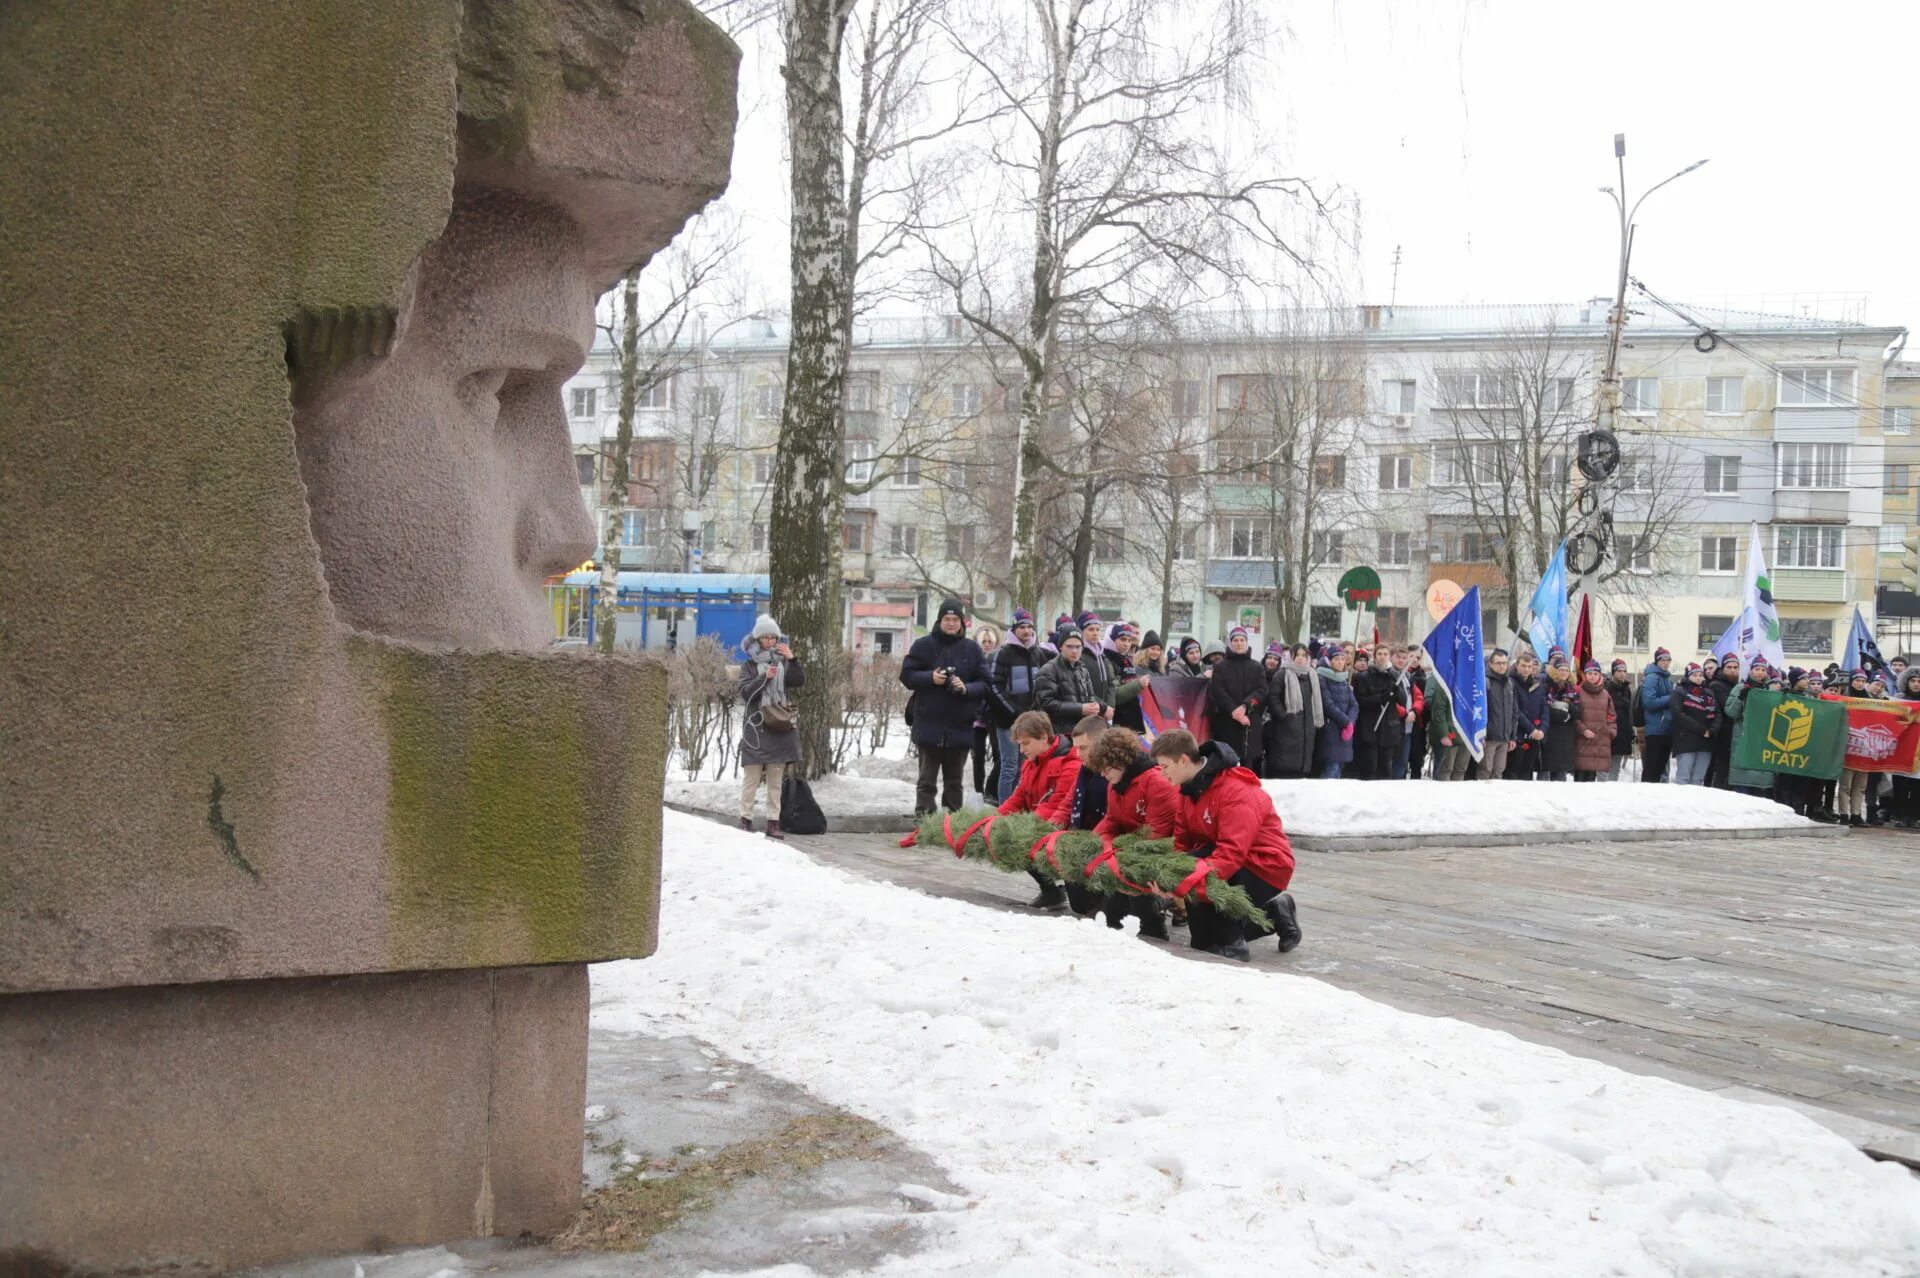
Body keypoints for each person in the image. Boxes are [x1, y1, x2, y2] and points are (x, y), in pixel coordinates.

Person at [1149, 731, 1301, 961]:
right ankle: (1275, 915)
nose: (1161, 773)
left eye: (1165, 766)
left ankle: (1233, 943)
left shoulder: (1236, 790)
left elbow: (1232, 853)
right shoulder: (1188, 791)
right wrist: (1171, 877)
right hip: (1220, 861)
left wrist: (1186, 883)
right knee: (1202, 942)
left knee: (1221, 946)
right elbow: (1182, 844)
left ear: (1183, 760)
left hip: (1263, 864)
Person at [900, 598, 989, 816]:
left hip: (960, 726)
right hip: (929, 723)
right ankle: (924, 822)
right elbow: (907, 675)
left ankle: (952, 823)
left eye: (955, 619)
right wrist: (930, 677)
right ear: (939, 621)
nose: (951, 623)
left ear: (962, 622)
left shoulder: (972, 649)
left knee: (954, 782)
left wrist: (965, 687)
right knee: (926, 781)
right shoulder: (923, 645)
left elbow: (986, 684)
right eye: (946, 619)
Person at [1086, 727, 1176, 940]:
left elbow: (1157, 837)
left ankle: (1156, 921)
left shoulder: (1156, 782)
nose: (1102, 773)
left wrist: (1114, 853)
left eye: (1106, 767)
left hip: (1160, 857)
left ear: (1121, 760)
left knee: (1140, 920)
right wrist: (1094, 845)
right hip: (1128, 852)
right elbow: (1112, 821)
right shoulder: (1116, 784)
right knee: (1108, 919)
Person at [998, 709, 1081, 909]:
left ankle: (1066, 887)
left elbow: (1056, 807)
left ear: (1044, 737)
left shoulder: (1070, 765)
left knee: (1019, 840)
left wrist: (1021, 829)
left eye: (1026, 743)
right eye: (1019, 745)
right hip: (1041, 825)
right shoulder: (1031, 763)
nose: (1021, 751)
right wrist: (993, 821)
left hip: (1065, 831)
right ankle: (1050, 890)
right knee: (1002, 837)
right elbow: (1018, 798)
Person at [738, 614, 805, 838]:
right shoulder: (748, 665)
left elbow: (798, 681)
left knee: (776, 779)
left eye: (773, 637)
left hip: (780, 725)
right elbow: (746, 693)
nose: (770, 641)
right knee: (752, 777)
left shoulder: (784, 662)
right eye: (765, 637)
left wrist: (793, 660)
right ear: (757, 639)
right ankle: (745, 818)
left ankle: (773, 822)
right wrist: (764, 677)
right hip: (756, 726)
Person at [987, 609, 1044, 802]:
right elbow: (994, 686)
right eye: (1022, 627)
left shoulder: (1037, 653)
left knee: (1024, 767)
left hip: (1031, 721)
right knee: (1009, 767)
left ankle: (1020, 808)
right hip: (1007, 721)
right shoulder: (1003, 653)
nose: (1026, 631)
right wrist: (1014, 712)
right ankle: (1005, 810)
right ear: (1014, 629)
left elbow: (1043, 686)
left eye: (1029, 626)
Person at [1206, 627, 1268, 768]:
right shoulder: (1221, 667)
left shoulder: (1257, 667)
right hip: (1226, 723)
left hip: (1249, 725)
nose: (1239, 643)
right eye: (1235, 640)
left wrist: (1245, 706)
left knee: (1248, 767)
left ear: (1246, 643)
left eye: (1242, 640)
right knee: (1227, 766)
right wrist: (1234, 710)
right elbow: (1218, 692)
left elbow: (1262, 690)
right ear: (1230, 643)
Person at [1354, 642, 1411, 781]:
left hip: (1389, 727)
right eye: (1379, 654)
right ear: (1374, 656)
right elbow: (1361, 700)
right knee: (1370, 766)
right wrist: (1381, 697)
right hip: (1370, 727)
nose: (1382, 657)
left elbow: (1403, 701)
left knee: (1386, 767)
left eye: (1385, 654)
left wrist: (1397, 692)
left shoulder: (1394, 676)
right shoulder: (1364, 677)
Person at [1264, 644, 1322, 779]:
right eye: (1297, 655)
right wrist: (1284, 716)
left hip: (1307, 727)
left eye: (1303, 655)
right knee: (1286, 770)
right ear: (1291, 656)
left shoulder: (1312, 675)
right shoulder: (1282, 674)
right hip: (1286, 729)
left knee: (1302, 773)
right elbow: (1273, 698)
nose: (1300, 658)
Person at [1723, 659, 1777, 801]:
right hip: (1744, 739)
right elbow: (1731, 712)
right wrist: (1741, 698)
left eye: (1763, 670)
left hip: (1763, 740)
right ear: (1751, 670)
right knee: (1742, 788)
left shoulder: (1770, 691)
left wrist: (1782, 698)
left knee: (1760, 789)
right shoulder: (1740, 688)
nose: (1760, 672)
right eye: (1757, 669)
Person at [1034, 630, 1106, 735]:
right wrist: (1080, 709)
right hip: (1058, 732)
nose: (1074, 651)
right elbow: (1046, 704)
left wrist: (1095, 707)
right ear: (1061, 647)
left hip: (1081, 730)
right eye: (1070, 646)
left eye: (1078, 647)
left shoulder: (1082, 669)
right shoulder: (1048, 670)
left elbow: (1090, 696)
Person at [1670, 663, 1718, 785]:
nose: (1698, 678)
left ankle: (1695, 804)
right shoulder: (1680, 691)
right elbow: (1678, 714)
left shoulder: (1709, 693)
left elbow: (1718, 715)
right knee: (1684, 778)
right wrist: (1700, 728)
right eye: (1694, 675)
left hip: (1706, 742)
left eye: (1700, 675)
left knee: (1698, 779)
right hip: (1686, 740)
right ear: (1688, 676)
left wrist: (1712, 730)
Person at [1316, 643, 1359, 778]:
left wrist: (1350, 723)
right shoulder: (1322, 677)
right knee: (1331, 769)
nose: (1340, 662)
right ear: (1329, 661)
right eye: (1336, 659)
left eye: (1342, 659)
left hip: (1345, 732)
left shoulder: (1343, 679)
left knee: (1338, 769)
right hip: (1331, 729)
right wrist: (1346, 722)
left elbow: (1354, 705)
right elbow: (1327, 704)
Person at [1424, 660, 1471, 782]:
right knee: (1445, 770)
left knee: (1460, 770)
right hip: (1449, 735)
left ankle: (1457, 798)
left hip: (1466, 736)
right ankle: (1441, 798)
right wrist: (1444, 734)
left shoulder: (1471, 687)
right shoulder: (1443, 685)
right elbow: (1438, 712)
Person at [1572, 660, 1617, 782]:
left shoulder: (1606, 694)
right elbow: (1573, 716)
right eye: (1590, 673)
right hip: (1582, 741)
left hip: (1600, 740)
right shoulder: (1577, 691)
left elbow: (1611, 716)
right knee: (1580, 778)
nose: (1593, 676)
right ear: (1585, 675)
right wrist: (1583, 730)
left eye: (1595, 673)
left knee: (1592, 780)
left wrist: (1611, 731)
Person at [1101, 622, 1149, 732]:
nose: (1127, 644)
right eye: (1122, 639)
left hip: (1128, 721)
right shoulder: (1108, 659)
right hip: (1116, 722)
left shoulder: (1124, 659)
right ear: (1113, 639)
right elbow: (1114, 695)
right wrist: (1138, 684)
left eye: (1129, 640)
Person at [1507, 651, 1548, 781]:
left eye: (1529, 666)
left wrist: (1542, 729)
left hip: (1535, 736)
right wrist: (1531, 729)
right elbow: (1516, 710)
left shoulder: (1537, 685)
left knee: (1528, 772)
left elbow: (1545, 709)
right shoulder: (1510, 683)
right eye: (1523, 666)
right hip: (1517, 734)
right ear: (1517, 666)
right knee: (1513, 771)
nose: (1526, 669)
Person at [1540, 649, 1579, 782]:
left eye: (1566, 670)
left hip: (1565, 737)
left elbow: (1577, 711)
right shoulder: (1547, 685)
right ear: (1555, 670)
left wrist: (1566, 707)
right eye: (1561, 670)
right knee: (1545, 771)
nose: (1563, 672)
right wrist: (1563, 714)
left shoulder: (1572, 688)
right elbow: (1545, 708)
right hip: (1550, 734)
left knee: (1560, 775)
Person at [972, 625, 1001, 802]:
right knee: (978, 757)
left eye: (990, 641)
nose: (987, 644)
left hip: (992, 715)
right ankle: (978, 791)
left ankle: (994, 790)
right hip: (975, 718)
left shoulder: (998, 659)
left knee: (999, 754)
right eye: (984, 641)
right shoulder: (973, 660)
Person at [1704, 654, 1741, 789]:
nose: (1732, 670)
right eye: (1729, 667)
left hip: (1734, 733)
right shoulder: (1716, 685)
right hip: (1721, 734)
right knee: (1720, 769)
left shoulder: (1738, 684)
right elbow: (1727, 707)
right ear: (1723, 668)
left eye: (1735, 667)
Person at [1638, 648, 1675, 783]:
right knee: (1651, 769)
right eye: (1662, 660)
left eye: (1668, 660)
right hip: (1655, 729)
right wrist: (1671, 698)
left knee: (1660, 769)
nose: (1666, 663)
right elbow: (1648, 702)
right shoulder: (1652, 678)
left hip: (1666, 728)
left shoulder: (1667, 679)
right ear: (1657, 661)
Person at [1481, 647, 1519, 780]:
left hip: (1504, 737)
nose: (1502, 666)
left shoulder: (1509, 683)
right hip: (1489, 737)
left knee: (1498, 772)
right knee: (1485, 770)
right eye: (1498, 663)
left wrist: (1512, 736)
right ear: (1491, 664)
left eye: (1504, 663)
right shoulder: (1485, 682)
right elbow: (1481, 711)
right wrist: (1481, 734)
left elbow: (1514, 712)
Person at [1892, 668, 1920, 827]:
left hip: (1919, 749)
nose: (1916, 685)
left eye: (1919, 682)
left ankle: (1915, 816)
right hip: (1902, 747)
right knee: (1900, 784)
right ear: (1906, 682)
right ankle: (1900, 815)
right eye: (1913, 681)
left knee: (1917, 786)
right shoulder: (1898, 701)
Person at [1606, 659, 1636, 780]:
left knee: (1616, 767)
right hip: (1611, 732)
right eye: (1619, 671)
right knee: (1607, 767)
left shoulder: (1627, 690)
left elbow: (1628, 712)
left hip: (1623, 733)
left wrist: (1631, 732)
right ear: (1613, 672)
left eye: (1624, 671)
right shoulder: (1607, 688)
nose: (1622, 674)